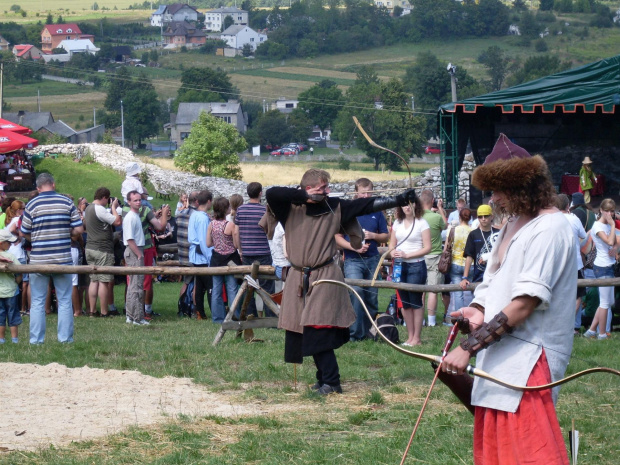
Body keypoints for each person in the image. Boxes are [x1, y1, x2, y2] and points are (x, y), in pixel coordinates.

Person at [442, 134, 576, 464]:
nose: (495, 199)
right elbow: (493, 284)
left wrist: (467, 348)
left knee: (531, 455)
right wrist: (476, 309)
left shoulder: (552, 228)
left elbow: (524, 304)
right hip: (500, 354)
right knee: (498, 454)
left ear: (524, 187)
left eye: (500, 190)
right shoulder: (513, 225)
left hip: (531, 359)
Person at [266, 169, 416, 395]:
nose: (327, 192)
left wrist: (398, 200)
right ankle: (323, 378)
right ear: (307, 189)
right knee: (304, 330)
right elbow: (273, 193)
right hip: (299, 277)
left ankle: (332, 382)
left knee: (319, 328)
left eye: (327, 188)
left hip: (324, 276)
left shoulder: (334, 207)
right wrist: (304, 196)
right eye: (322, 188)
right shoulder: (289, 208)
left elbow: (366, 206)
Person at [21, 173, 84, 344]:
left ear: (38, 188)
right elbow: (79, 230)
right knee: (64, 301)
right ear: (53, 185)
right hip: (62, 258)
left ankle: (36, 340)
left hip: (39, 259)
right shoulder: (66, 202)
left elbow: (23, 231)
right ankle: (65, 339)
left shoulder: (31, 204)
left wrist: (35, 239)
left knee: (37, 301)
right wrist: (66, 233)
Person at [335, 178, 389, 341]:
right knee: (356, 293)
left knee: (372, 295)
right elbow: (337, 238)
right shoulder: (348, 210)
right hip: (352, 260)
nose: (366, 195)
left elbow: (386, 235)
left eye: (369, 192)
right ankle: (355, 334)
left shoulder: (377, 211)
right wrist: (353, 246)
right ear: (356, 192)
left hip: (372, 258)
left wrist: (374, 236)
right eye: (363, 192)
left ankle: (370, 332)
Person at [390, 201, 431, 346]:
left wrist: (409, 255)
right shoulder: (397, 222)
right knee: (404, 302)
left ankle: (417, 338)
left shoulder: (422, 223)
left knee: (415, 301)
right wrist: (393, 251)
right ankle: (410, 336)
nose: (407, 207)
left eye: (410, 204)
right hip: (399, 266)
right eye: (404, 204)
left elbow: (427, 248)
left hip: (416, 265)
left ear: (416, 205)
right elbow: (391, 243)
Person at [234, 182, 275, 317]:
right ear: (260, 193)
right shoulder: (264, 210)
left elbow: (236, 232)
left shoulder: (240, 210)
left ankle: (249, 314)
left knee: (248, 285)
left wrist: (240, 249)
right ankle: (271, 315)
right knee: (267, 286)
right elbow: (270, 231)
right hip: (263, 251)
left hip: (247, 252)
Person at [84, 187, 121, 318]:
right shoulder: (99, 209)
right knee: (104, 281)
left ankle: (92, 311)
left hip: (90, 248)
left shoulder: (87, 208)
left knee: (94, 280)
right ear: (104, 197)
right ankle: (105, 311)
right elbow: (117, 221)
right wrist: (114, 207)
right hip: (102, 249)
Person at [583, 198, 616, 340]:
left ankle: (591, 330)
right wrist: (613, 224)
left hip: (609, 265)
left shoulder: (608, 226)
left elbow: (615, 241)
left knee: (609, 301)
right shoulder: (598, 226)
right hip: (602, 267)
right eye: (607, 210)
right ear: (601, 210)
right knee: (605, 303)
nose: (609, 213)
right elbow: (609, 240)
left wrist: (615, 248)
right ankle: (602, 334)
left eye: (612, 211)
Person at [557, 194, 587, 336]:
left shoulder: (550, 220)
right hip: (575, 264)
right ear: (568, 206)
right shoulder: (574, 219)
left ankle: (560, 325)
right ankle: (568, 324)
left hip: (557, 264)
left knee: (559, 295)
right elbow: (584, 235)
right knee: (577, 296)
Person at [207, 197, 240, 323]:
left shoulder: (211, 224)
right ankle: (234, 316)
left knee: (216, 289)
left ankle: (217, 318)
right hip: (230, 259)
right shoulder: (230, 225)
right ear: (226, 209)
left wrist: (218, 243)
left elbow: (208, 243)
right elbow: (236, 245)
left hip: (216, 259)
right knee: (232, 289)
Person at [419, 189, 447, 326]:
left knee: (420, 291)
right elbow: (445, 226)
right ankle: (431, 321)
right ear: (432, 201)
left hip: (419, 256)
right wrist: (440, 208)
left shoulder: (416, 218)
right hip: (434, 255)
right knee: (433, 290)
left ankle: (420, 319)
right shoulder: (436, 217)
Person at [122, 191, 149, 326]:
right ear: (129, 202)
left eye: (139, 200)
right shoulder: (130, 217)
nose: (138, 202)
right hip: (134, 251)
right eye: (135, 200)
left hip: (136, 249)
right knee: (136, 285)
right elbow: (129, 239)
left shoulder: (135, 216)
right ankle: (137, 317)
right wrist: (139, 254)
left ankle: (131, 315)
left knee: (133, 285)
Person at [460, 204, 499, 290]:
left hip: (497, 275)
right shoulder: (473, 234)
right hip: (479, 276)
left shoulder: (499, 233)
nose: (483, 219)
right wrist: (465, 277)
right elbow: (469, 256)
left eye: (486, 216)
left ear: (491, 216)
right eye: (480, 217)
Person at [188, 190, 213, 320]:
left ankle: (200, 312)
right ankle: (212, 312)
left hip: (195, 255)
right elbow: (204, 241)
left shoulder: (194, 214)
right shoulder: (203, 218)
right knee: (209, 285)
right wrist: (210, 258)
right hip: (202, 255)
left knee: (200, 286)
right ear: (209, 201)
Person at [445, 208, 473, 313]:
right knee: (472, 291)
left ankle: (459, 316)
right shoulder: (473, 231)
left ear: (459, 217)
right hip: (470, 264)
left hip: (455, 263)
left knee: (458, 293)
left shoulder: (452, 230)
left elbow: (446, 248)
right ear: (470, 219)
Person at [176, 191, 199, 302]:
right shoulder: (197, 216)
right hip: (193, 256)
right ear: (197, 201)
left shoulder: (180, 214)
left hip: (182, 256)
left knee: (186, 282)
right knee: (196, 285)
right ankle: (195, 310)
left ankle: (182, 307)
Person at [0, 229, 22, 344]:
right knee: (12, 316)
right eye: (8, 242)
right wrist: (16, 282)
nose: (10, 244)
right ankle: (14, 340)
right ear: (1, 243)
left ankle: (1, 339)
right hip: (11, 291)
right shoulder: (11, 257)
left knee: (0, 317)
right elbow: (19, 273)